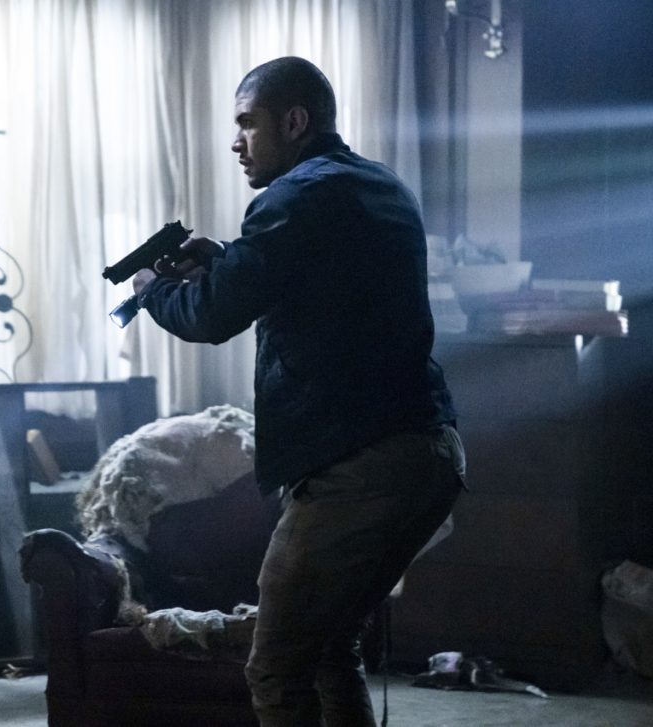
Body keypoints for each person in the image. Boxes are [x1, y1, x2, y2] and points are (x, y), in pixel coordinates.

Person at [132, 57, 465, 726]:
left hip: (357, 468)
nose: (236, 143)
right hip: (428, 453)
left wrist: (153, 289)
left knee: (276, 666)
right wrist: (225, 259)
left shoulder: (293, 197)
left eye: (247, 123)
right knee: (327, 648)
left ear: (294, 121)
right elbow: (313, 280)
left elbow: (212, 315)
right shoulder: (380, 186)